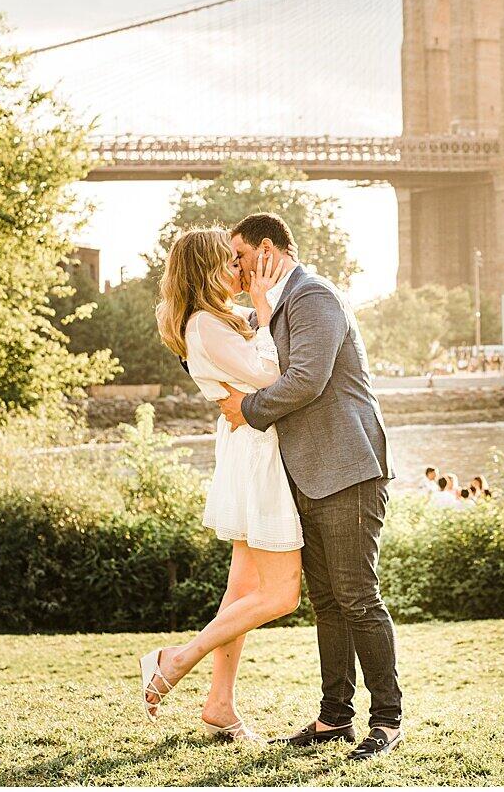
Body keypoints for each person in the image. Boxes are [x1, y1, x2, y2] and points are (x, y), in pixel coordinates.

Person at [215, 213, 404, 761]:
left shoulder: (314, 296)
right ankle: (335, 717)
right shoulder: (279, 307)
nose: (236, 268)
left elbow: (307, 379)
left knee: (357, 598)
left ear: (268, 249)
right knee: (326, 601)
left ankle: (387, 720)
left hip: (349, 471)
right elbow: (242, 341)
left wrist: (246, 411)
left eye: (241, 258)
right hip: (311, 474)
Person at [140, 228, 300, 744]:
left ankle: (219, 704)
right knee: (281, 594)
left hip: (248, 449)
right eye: (232, 261)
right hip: (258, 457)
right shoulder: (206, 326)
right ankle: (176, 660)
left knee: (242, 591)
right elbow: (274, 376)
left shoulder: (213, 321)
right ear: (210, 269)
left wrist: (257, 308)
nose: (242, 267)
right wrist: (264, 301)